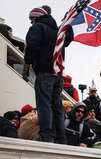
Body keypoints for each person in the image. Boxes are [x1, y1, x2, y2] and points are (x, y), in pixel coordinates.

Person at [24, 5, 74, 143]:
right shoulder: (58, 30)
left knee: (44, 106)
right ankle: (60, 138)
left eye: (32, 19)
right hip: (58, 75)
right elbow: (68, 40)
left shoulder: (37, 28)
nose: (31, 21)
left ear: (36, 17)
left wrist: (28, 60)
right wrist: (67, 24)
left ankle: (46, 136)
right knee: (57, 107)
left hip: (44, 72)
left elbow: (32, 46)